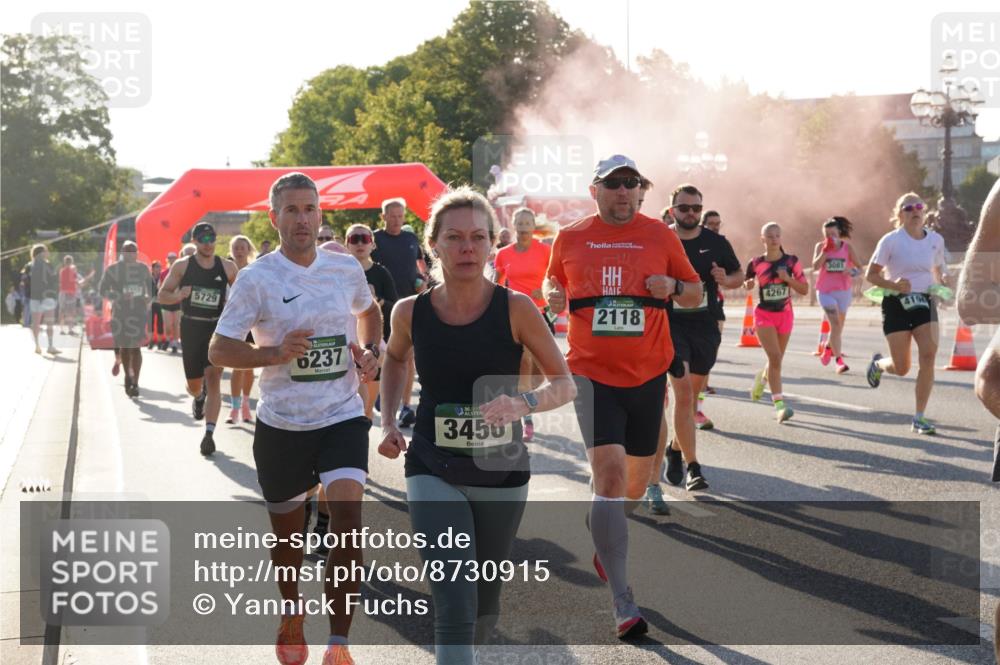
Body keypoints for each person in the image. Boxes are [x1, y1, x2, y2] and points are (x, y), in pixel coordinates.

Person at [378, 187, 574, 665]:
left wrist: (522, 403)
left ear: (491, 244)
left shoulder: (517, 308)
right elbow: (395, 361)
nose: (467, 247)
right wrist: (387, 422)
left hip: (500, 469)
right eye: (455, 237)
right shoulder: (409, 311)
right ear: (434, 245)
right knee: (452, 596)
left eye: (478, 237)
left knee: (484, 601)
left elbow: (565, 384)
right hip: (431, 463)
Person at [209, 172, 382, 665]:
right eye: (292, 210)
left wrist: (370, 351)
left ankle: (339, 644)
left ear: (321, 214)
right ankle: (291, 612)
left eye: (310, 208)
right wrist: (273, 355)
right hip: (283, 423)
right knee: (288, 540)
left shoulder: (343, 268)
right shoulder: (257, 278)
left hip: (342, 414)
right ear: (275, 217)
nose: (302, 218)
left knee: (347, 522)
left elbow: (370, 314)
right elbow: (219, 348)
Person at [545, 154, 702, 639]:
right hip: (592, 375)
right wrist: (551, 294)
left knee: (634, 486)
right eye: (613, 184)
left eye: (631, 183)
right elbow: (553, 279)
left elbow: (696, 294)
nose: (622, 191)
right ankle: (623, 602)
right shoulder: (570, 236)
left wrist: (674, 285)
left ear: (641, 191)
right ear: (595, 190)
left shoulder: (661, 235)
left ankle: (605, 527)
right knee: (609, 476)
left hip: (647, 375)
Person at [645, 185, 742, 507]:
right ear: (672, 210)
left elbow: (737, 274)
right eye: (684, 208)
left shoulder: (715, 242)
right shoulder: (658, 237)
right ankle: (694, 467)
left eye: (696, 208)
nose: (691, 214)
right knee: (683, 392)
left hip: (705, 324)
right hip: (669, 324)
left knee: (691, 395)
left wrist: (725, 279)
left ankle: (675, 447)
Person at [865, 192, 950, 435]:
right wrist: (894, 285)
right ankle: (880, 364)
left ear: (924, 212)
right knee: (902, 367)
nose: (915, 211)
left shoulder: (935, 240)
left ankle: (919, 417)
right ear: (900, 214)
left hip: (924, 301)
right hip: (896, 304)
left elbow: (937, 268)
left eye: (919, 206)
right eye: (908, 207)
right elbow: (871, 275)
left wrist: (944, 280)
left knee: (929, 355)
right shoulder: (890, 241)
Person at [158, 222, 238, 455]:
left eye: (211, 238)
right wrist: (179, 295)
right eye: (203, 239)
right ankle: (198, 396)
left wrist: (230, 305)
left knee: (214, 378)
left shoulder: (228, 267)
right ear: (194, 241)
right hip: (191, 326)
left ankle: (209, 434)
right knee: (194, 384)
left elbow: (245, 296)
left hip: (216, 329)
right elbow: (161, 296)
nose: (208, 242)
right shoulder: (183, 266)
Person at [493, 207, 554, 442]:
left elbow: (556, 278)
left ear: (533, 225)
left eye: (528, 222)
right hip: (512, 314)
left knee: (540, 370)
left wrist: (545, 290)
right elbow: (495, 284)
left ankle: (521, 398)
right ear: (514, 223)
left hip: (540, 312)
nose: (524, 226)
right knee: (524, 359)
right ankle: (525, 417)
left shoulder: (545, 251)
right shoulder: (504, 254)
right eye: (520, 222)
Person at [372, 198, 428, 429]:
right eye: (392, 215)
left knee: (409, 356)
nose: (396, 220)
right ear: (383, 216)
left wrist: (422, 280)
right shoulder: (375, 238)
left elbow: (421, 265)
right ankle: (380, 395)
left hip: (408, 305)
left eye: (400, 215)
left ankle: (406, 406)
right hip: (381, 307)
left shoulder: (411, 238)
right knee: (384, 355)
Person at [745, 222, 809, 423]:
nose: (774, 239)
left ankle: (762, 380)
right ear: (762, 239)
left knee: (777, 360)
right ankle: (779, 405)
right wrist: (747, 284)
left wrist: (788, 279)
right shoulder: (755, 263)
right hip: (764, 314)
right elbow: (746, 282)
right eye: (770, 236)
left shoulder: (791, 261)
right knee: (774, 356)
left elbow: (805, 289)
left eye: (777, 236)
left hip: (785, 314)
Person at [344, 223, 397, 420]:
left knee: (366, 410)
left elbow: (394, 304)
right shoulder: (339, 272)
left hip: (373, 346)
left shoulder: (381, 273)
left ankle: (361, 446)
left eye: (364, 239)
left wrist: (377, 302)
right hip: (344, 346)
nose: (360, 243)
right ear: (346, 244)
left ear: (372, 244)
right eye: (354, 239)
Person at [99, 241, 152, 397]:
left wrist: (148, 298)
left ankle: (135, 382)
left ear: (136, 252)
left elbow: (152, 288)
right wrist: (119, 296)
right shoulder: (113, 269)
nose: (130, 254)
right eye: (127, 251)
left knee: (135, 347)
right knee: (124, 347)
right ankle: (127, 375)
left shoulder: (143, 269)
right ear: (122, 252)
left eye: (133, 251)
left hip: (138, 312)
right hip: (120, 312)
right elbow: (102, 290)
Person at [812, 216, 863, 374]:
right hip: (825, 291)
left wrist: (851, 271)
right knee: (834, 325)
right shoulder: (821, 246)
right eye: (827, 234)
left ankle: (828, 347)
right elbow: (814, 266)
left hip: (843, 291)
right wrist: (825, 252)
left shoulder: (847, 248)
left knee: (838, 327)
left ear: (839, 233)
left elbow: (860, 268)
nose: (830, 238)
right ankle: (839, 361)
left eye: (833, 234)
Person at [226, 235, 258, 424]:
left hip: (253, 323)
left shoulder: (255, 269)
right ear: (231, 250)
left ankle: (246, 404)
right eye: (236, 247)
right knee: (237, 366)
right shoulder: (226, 270)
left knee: (249, 367)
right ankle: (235, 408)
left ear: (248, 249)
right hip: (234, 323)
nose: (239, 250)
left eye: (242, 247)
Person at [700, 209, 724, 396]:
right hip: (692, 302)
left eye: (718, 224)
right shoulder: (695, 242)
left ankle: (704, 380)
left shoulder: (721, 243)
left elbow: (734, 273)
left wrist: (726, 277)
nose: (715, 227)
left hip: (715, 301)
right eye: (711, 224)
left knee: (713, 344)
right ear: (703, 224)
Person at [27, 245, 59, 355]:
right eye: (46, 251)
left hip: (34, 297)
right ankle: (50, 346)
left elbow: (24, 281)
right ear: (41, 253)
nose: (48, 252)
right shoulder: (47, 264)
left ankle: (37, 345)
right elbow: (54, 280)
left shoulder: (29, 265)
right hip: (47, 297)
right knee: (49, 322)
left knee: (35, 323)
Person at [159, 251, 182, 352]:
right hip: (167, 302)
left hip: (177, 302)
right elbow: (159, 287)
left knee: (176, 324)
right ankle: (168, 340)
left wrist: (178, 293)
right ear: (167, 260)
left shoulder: (181, 272)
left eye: (174, 258)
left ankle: (175, 343)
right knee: (168, 325)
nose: (172, 260)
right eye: (170, 258)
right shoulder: (164, 273)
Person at [58, 255, 82, 335]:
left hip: (62, 292)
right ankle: (70, 329)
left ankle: (61, 329)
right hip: (70, 293)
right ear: (71, 262)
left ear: (64, 262)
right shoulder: (72, 271)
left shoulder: (62, 270)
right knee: (70, 311)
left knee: (62, 311)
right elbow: (77, 282)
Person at [148, 260, 164, 349]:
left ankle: (159, 342)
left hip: (161, 303)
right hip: (150, 303)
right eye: (157, 267)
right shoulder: (148, 277)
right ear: (153, 268)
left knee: (160, 322)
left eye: (160, 267)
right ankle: (150, 341)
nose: (159, 269)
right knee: (150, 322)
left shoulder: (163, 277)